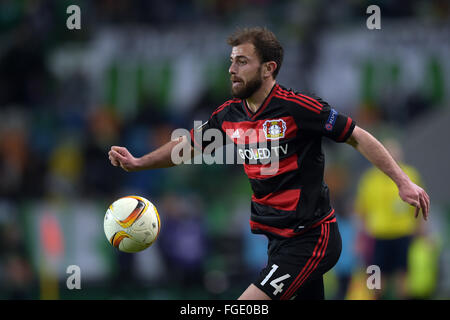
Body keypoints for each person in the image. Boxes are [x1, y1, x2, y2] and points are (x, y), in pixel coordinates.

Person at [108, 27, 430, 300]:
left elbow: (357, 135)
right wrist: (138, 163)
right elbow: (186, 147)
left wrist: (402, 181)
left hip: (311, 237)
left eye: (243, 61)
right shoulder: (229, 114)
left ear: (268, 68)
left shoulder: (298, 108)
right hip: (277, 242)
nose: (232, 69)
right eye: (232, 61)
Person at [354, 138, 425, 299]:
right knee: (376, 280)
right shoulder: (370, 179)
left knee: (403, 277)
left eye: (395, 153)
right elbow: (362, 210)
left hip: (403, 233)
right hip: (378, 234)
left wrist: (421, 230)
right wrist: (361, 238)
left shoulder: (410, 175)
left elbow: (419, 205)